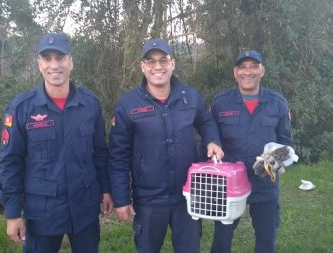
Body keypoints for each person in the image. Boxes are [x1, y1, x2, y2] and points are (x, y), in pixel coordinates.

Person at [0, 32, 113, 253]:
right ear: (39, 64)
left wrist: (106, 189)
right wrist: (12, 213)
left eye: (60, 58)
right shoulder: (22, 108)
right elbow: (10, 162)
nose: (54, 65)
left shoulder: (90, 104)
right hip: (43, 213)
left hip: (84, 209)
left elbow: (100, 151)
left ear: (71, 62)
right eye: (47, 58)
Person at [108, 38, 224, 253]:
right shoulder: (128, 104)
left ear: (173, 63)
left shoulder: (190, 97)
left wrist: (213, 140)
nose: (158, 66)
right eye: (151, 61)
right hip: (149, 198)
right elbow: (118, 156)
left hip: (189, 195)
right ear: (143, 66)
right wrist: (122, 198)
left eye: (163, 60)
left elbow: (206, 121)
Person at [210, 50, 293, 253]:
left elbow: (286, 144)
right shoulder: (220, 102)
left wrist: (276, 159)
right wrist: (212, 146)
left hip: (265, 183)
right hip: (228, 186)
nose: (248, 72)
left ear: (262, 70)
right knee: (221, 239)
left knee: (266, 239)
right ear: (235, 72)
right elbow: (210, 137)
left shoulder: (278, 103)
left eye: (254, 66)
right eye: (242, 67)